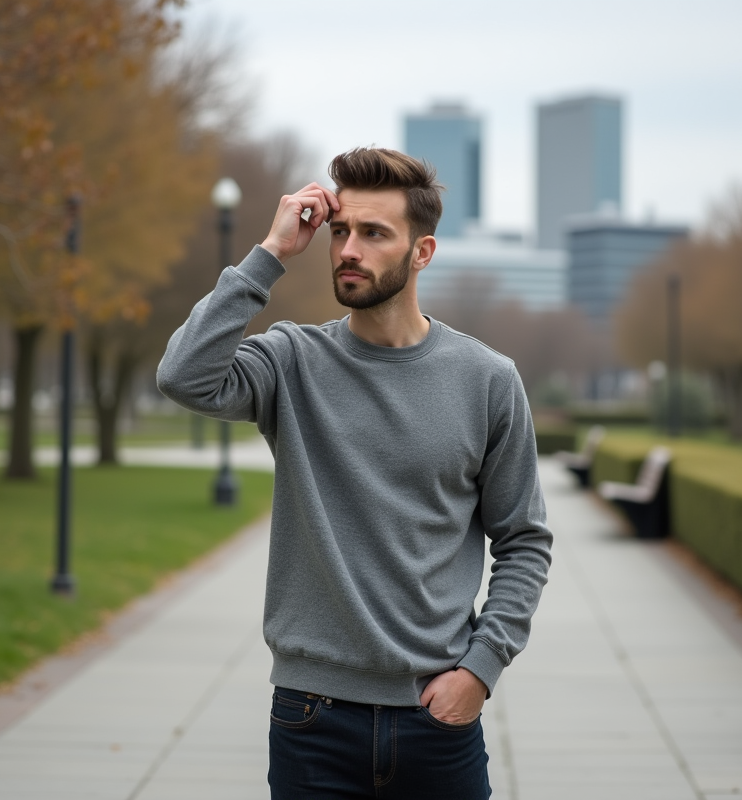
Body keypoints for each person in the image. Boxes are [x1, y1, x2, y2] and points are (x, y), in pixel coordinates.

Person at [157, 147, 552, 799]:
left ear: (421, 252)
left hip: (438, 720)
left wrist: (480, 671)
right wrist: (270, 253)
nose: (348, 249)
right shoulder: (292, 361)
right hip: (312, 719)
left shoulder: (487, 380)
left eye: (374, 233)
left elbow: (524, 540)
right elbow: (183, 375)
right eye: (341, 231)